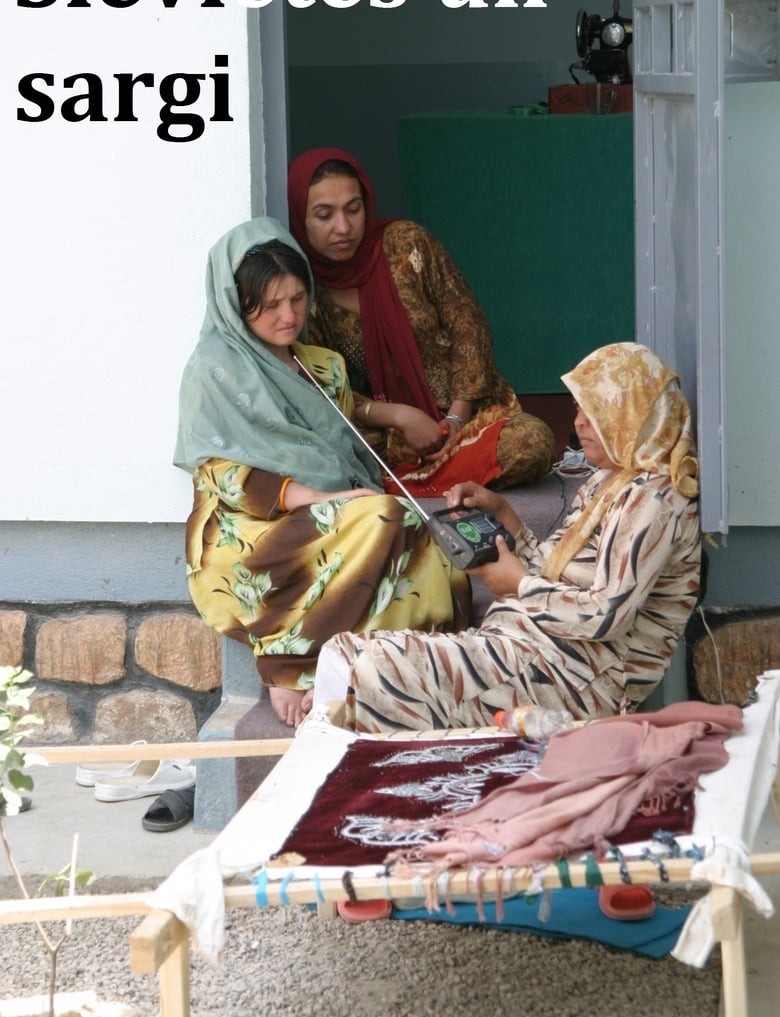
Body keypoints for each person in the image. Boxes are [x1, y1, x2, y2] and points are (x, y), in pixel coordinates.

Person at [313, 342, 702, 732]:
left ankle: (339, 773)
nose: (579, 422)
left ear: (631, 415)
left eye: (595, 411)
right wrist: (501, 513)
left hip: (581, 677)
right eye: (580, 409)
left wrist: (518, 584)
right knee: (341, 652)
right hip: (532, 646)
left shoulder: (655, 500)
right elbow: (552, 574)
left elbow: (605, 616)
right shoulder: (610, 481)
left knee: (376, 669)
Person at [174, 217, 470, 727]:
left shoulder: (322, 364)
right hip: (253, 525)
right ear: (234, 303)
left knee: (420, 536)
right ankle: (291, 667)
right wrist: (314, 497)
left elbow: (337, 416)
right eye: (269, 306)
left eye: (297, 299)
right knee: (381, 519)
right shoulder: (213, 370)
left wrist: (395, 417)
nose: (288, 316)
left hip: (334, 505)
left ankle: (378, 670)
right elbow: (220, 472)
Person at [287, 147, 555, 495]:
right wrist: (400, 417)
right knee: (318, 456)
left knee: (532, 443)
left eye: (353, 209)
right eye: (324, 215)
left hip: (463, 419)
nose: (343, 227)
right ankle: (437, 477)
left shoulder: (407, 244)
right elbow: (324, 385)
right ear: (300, 218)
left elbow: (468, 326)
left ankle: (407, 480)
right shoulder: (304, 293)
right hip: (386, 432)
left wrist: (456, 420)